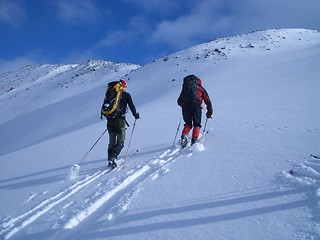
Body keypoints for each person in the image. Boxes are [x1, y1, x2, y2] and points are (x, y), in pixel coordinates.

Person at [103, 79, 139, 167]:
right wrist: (136, 115)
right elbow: (131, 106)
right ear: (123, 86)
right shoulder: (126, 95)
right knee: (120, 142)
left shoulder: (109, 94)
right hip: (119, 121)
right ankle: (114, 157)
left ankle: (109, 159)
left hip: (110, 120)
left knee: (111, 141)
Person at [177, 75, 213, 147]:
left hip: (186, 107)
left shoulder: (185, 89)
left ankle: (184, 135)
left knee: (188, 123)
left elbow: (179, 101)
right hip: (196, 107)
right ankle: (194, 139)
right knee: (197, 124)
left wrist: (184, 105)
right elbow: (208, 101)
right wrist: (209, 113)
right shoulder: (200, 88)